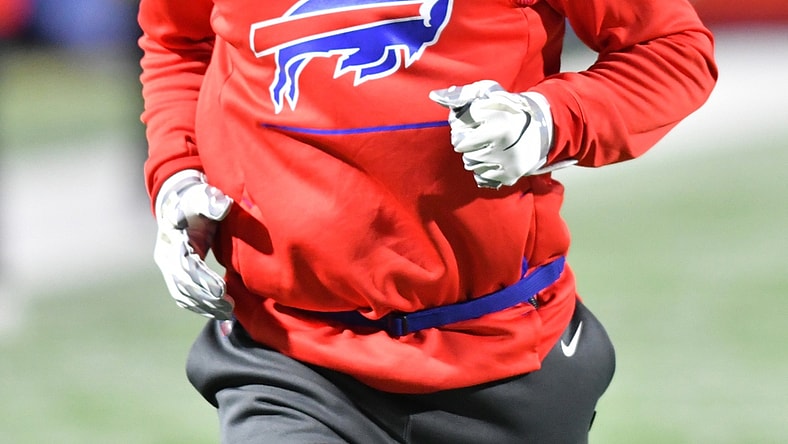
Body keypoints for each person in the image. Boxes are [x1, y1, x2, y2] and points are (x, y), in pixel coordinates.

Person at [138, 0, 717, 442]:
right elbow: (180, 42)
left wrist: (544, 121)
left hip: (500, 351)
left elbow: (673, 48)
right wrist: (178, 174)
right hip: (288, 355)